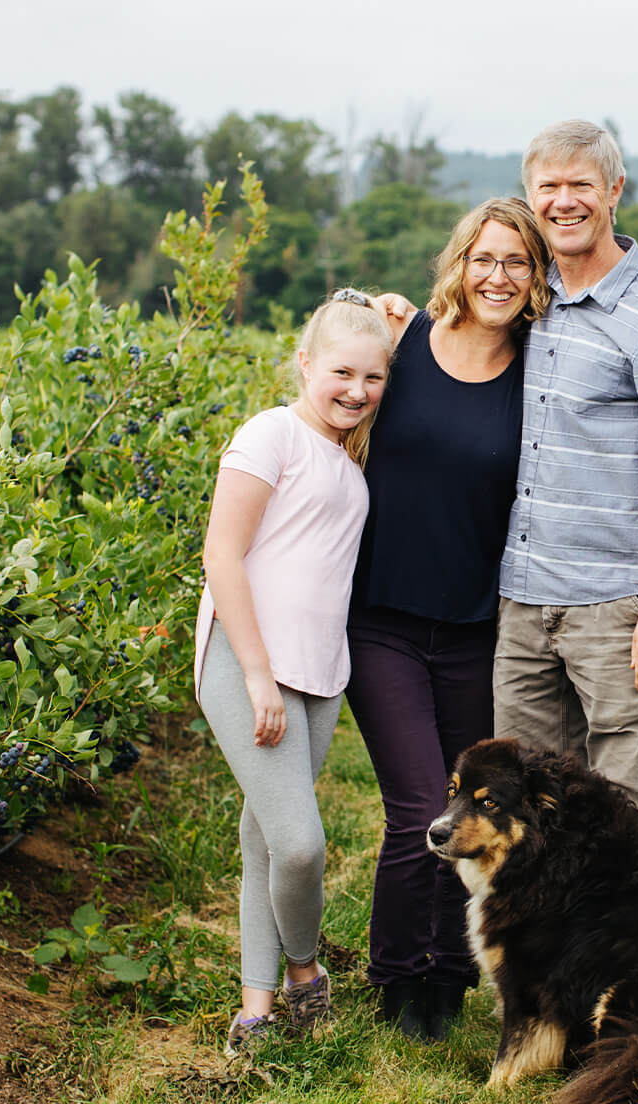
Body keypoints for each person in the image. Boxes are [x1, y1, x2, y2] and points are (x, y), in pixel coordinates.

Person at [346, 199, 552, 1041]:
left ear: (537, 279)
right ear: (459, 263)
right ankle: (400, 981)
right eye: (485, 259)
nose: (498, 277)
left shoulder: (539, 367)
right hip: (381, 616)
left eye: (518, 263)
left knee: (464, 804)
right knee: (411, 811)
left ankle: (448, 975)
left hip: (476, 625)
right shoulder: (401, 346)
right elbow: (327, 375)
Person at [494, 119, 638, 846]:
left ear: (614, 191)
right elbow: (449, 328)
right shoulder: (526, 296)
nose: (563, 201)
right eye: (547, 187)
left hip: (614, 610)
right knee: (522, 815)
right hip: (523, 603)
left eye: (580, 185)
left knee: (626, 820)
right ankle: (553, 964)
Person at [195, 289, 394, 1057]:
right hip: (250, 663)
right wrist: (255, 675)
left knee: (265, 840)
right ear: (304, 362)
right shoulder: (269, 433)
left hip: (318, 671)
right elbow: (222, 554)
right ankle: (307, 974)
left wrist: (393, 321)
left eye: (373, 379)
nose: (356, 391)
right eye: (341, 372)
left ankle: (256, 1006)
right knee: (302, 844)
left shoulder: (348, 459)